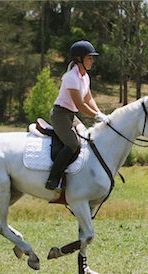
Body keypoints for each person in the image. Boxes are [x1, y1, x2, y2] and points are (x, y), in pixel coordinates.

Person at [45, 40, 110, 191]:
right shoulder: (71, 77)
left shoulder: (85, 77)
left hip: (71, 115)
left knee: (87, 138)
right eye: (89, 57)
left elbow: (89, 98)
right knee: (73, 144)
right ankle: (53, 179)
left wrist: (99, 113)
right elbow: (80, 104)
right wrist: (96, 116)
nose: (92, 61)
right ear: (79, 59)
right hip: (60, 115)